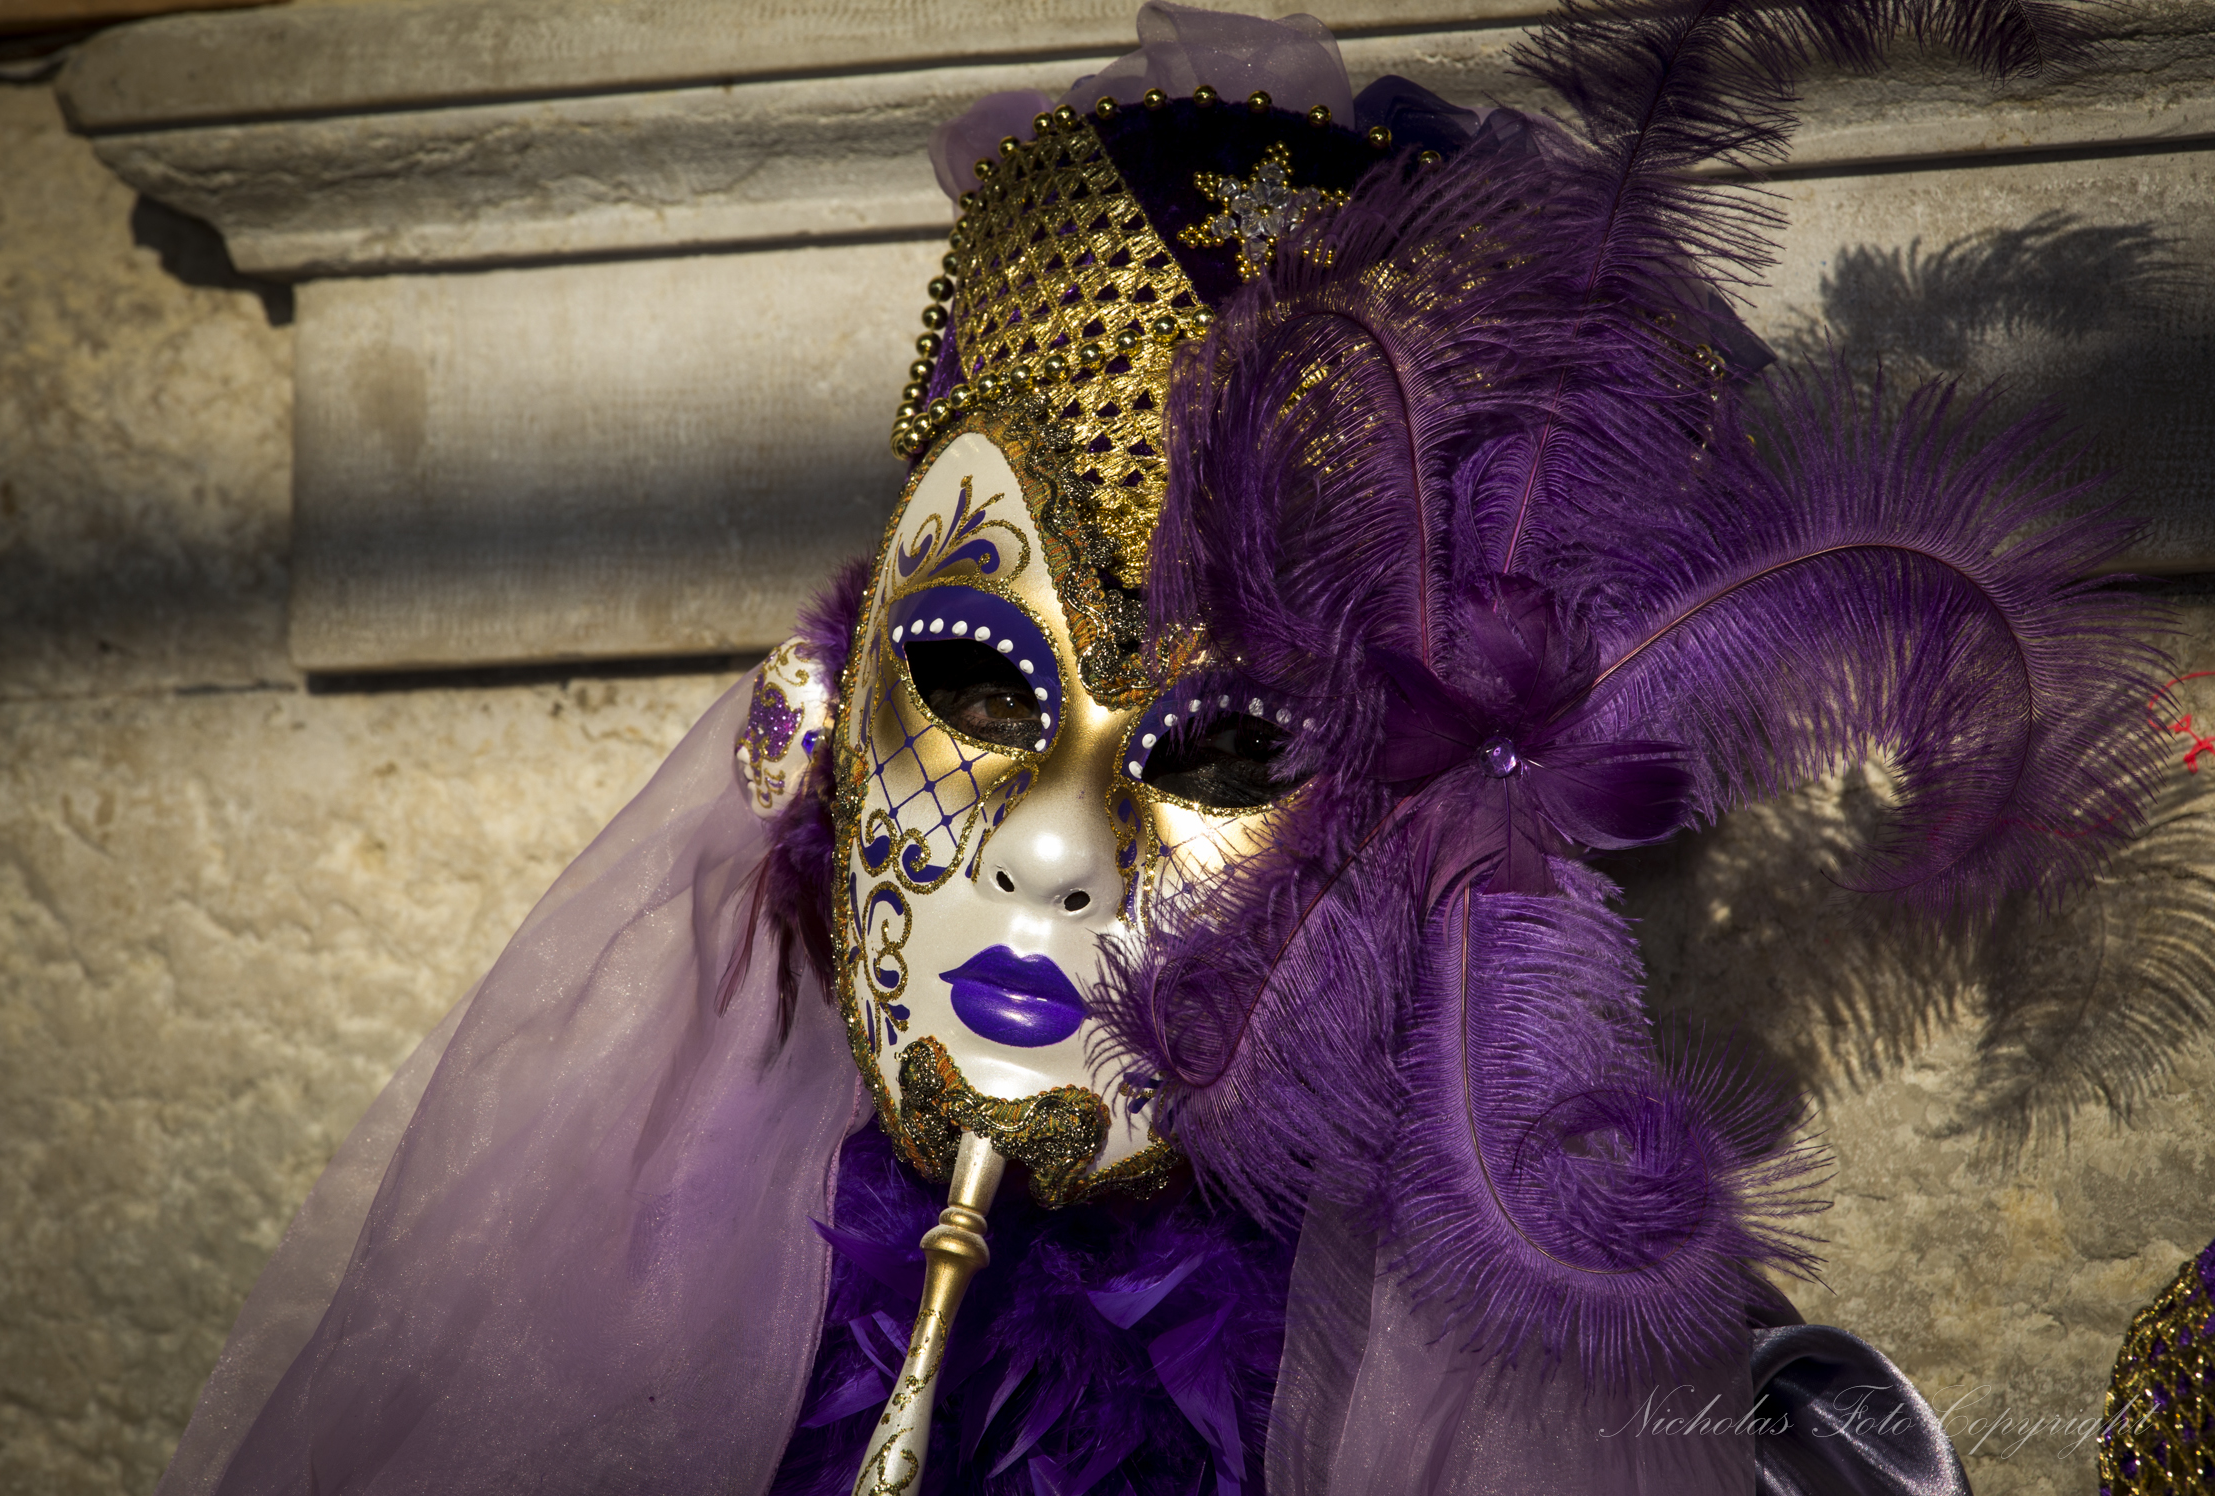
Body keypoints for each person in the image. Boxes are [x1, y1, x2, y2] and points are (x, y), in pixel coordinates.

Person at [156, 4, 2163, 1493]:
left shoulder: (1412, 1398)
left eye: (1217, 746)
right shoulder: (627, 1299)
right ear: (815, 711)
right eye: (975, 677)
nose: (1052, 854)